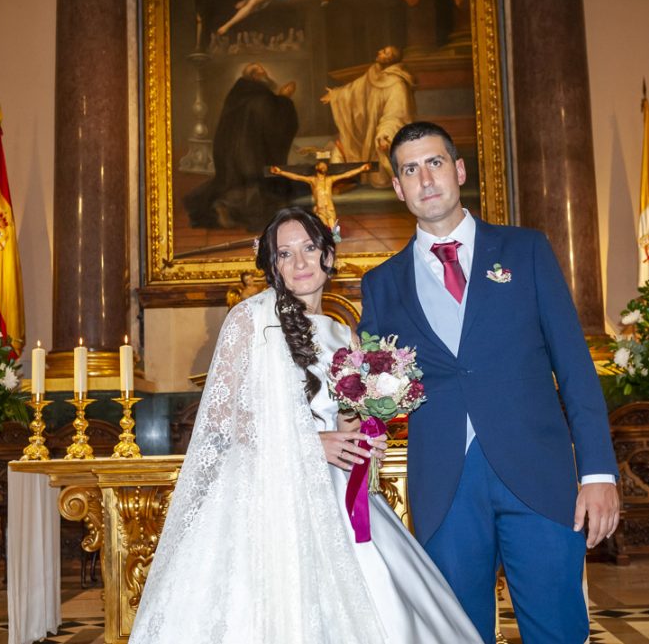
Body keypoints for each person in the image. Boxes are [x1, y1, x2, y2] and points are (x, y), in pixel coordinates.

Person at [128, 207, 482, 644]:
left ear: (328, 256)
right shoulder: (251, 320)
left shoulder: (343, 334)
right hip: (266, 493)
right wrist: (311, 443)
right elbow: (221, 420)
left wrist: (367, 433)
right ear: (272, 265)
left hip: (337, 492)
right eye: (285, 254)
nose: (299, 263)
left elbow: (347, 420)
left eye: (309, 248)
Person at [358, 121, 620, 643]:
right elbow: (372, 395)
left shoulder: (526, 251)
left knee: (558, 630)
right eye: (410, 170)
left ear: (458, 171)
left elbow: (574, 367)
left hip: (540, 476)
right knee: (457, 634)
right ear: (397, 188)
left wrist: (598, 473)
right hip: (444, 485)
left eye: (434, 163)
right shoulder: (381, 284)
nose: (425, 178)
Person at [184, 63, 303, 231]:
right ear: (255, 77)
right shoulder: (259, 96)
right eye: (262, 73)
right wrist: (284, 99)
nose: (266, 75)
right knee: (259, 193)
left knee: (239, 186)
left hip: (232, 154)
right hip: (251, 154)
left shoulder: (239, 93)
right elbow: (271, 118)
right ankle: (228, 208)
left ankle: (224, 207)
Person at [322, 46, 415, 188]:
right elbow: (354, 91)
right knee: (341, 148)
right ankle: (338, 184)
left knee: (380, 174)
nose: (379, 52)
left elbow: (396, 115)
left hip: (381, 135)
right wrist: (336, 96)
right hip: (366, 130)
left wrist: (385, 134)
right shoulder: (373, 75)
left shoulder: (397, 85)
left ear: (391, 59)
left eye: (385, 52)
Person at [269, 160, 372, 232]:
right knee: (323, 227)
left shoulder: (330, 179)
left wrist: (361, 169)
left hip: (330, 207)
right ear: (316, 167)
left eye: (325, 165)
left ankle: (336, 244)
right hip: (320, 208)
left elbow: (347, 174)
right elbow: (296, 177)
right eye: (321, 165)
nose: (324, 166)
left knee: (334, 228)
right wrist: (280, 172)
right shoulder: (313, 180)